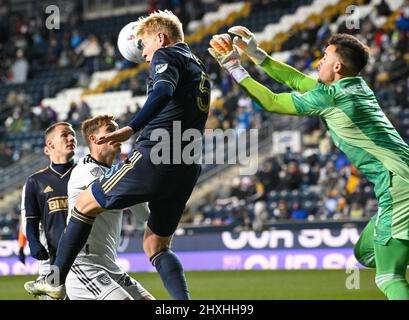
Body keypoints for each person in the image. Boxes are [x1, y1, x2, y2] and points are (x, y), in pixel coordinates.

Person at [208, 27, 409, 300]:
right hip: (401, 181)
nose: (319, 62)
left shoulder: (331, 97)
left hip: (397, 186)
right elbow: (298, 80)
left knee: (388, 276)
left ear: (338, 66)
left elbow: (272, 101)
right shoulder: (355, 86)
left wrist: (233, 66)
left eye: (325, 57)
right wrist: (257, 54)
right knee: (365, 251)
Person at [24, 10, 210, 300]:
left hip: (156, 156)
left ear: (160, 38)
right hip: (187, 164)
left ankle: (55, 280)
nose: (145, 54)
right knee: (156, 246)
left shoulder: (166, 55)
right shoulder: (198, 66)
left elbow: (161, 92)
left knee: (85, 204)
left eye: (144, 45)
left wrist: (131, 128)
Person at [65, 114, 154, 300]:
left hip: (110, 266)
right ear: (94, 138)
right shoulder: (84, 170)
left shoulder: (120, 175)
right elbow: (112, 195)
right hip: (83, 265)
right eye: (110, 130)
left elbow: (144, 214)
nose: (117, 133)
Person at [23, 122, 77, 298]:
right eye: (65, 135)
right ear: (50, 145)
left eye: (73, 135)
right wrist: (33, 242)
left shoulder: (87, 173)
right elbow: (31, 220)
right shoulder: (35, 181)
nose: (72, 138)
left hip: (87, 258)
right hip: (54, 261)